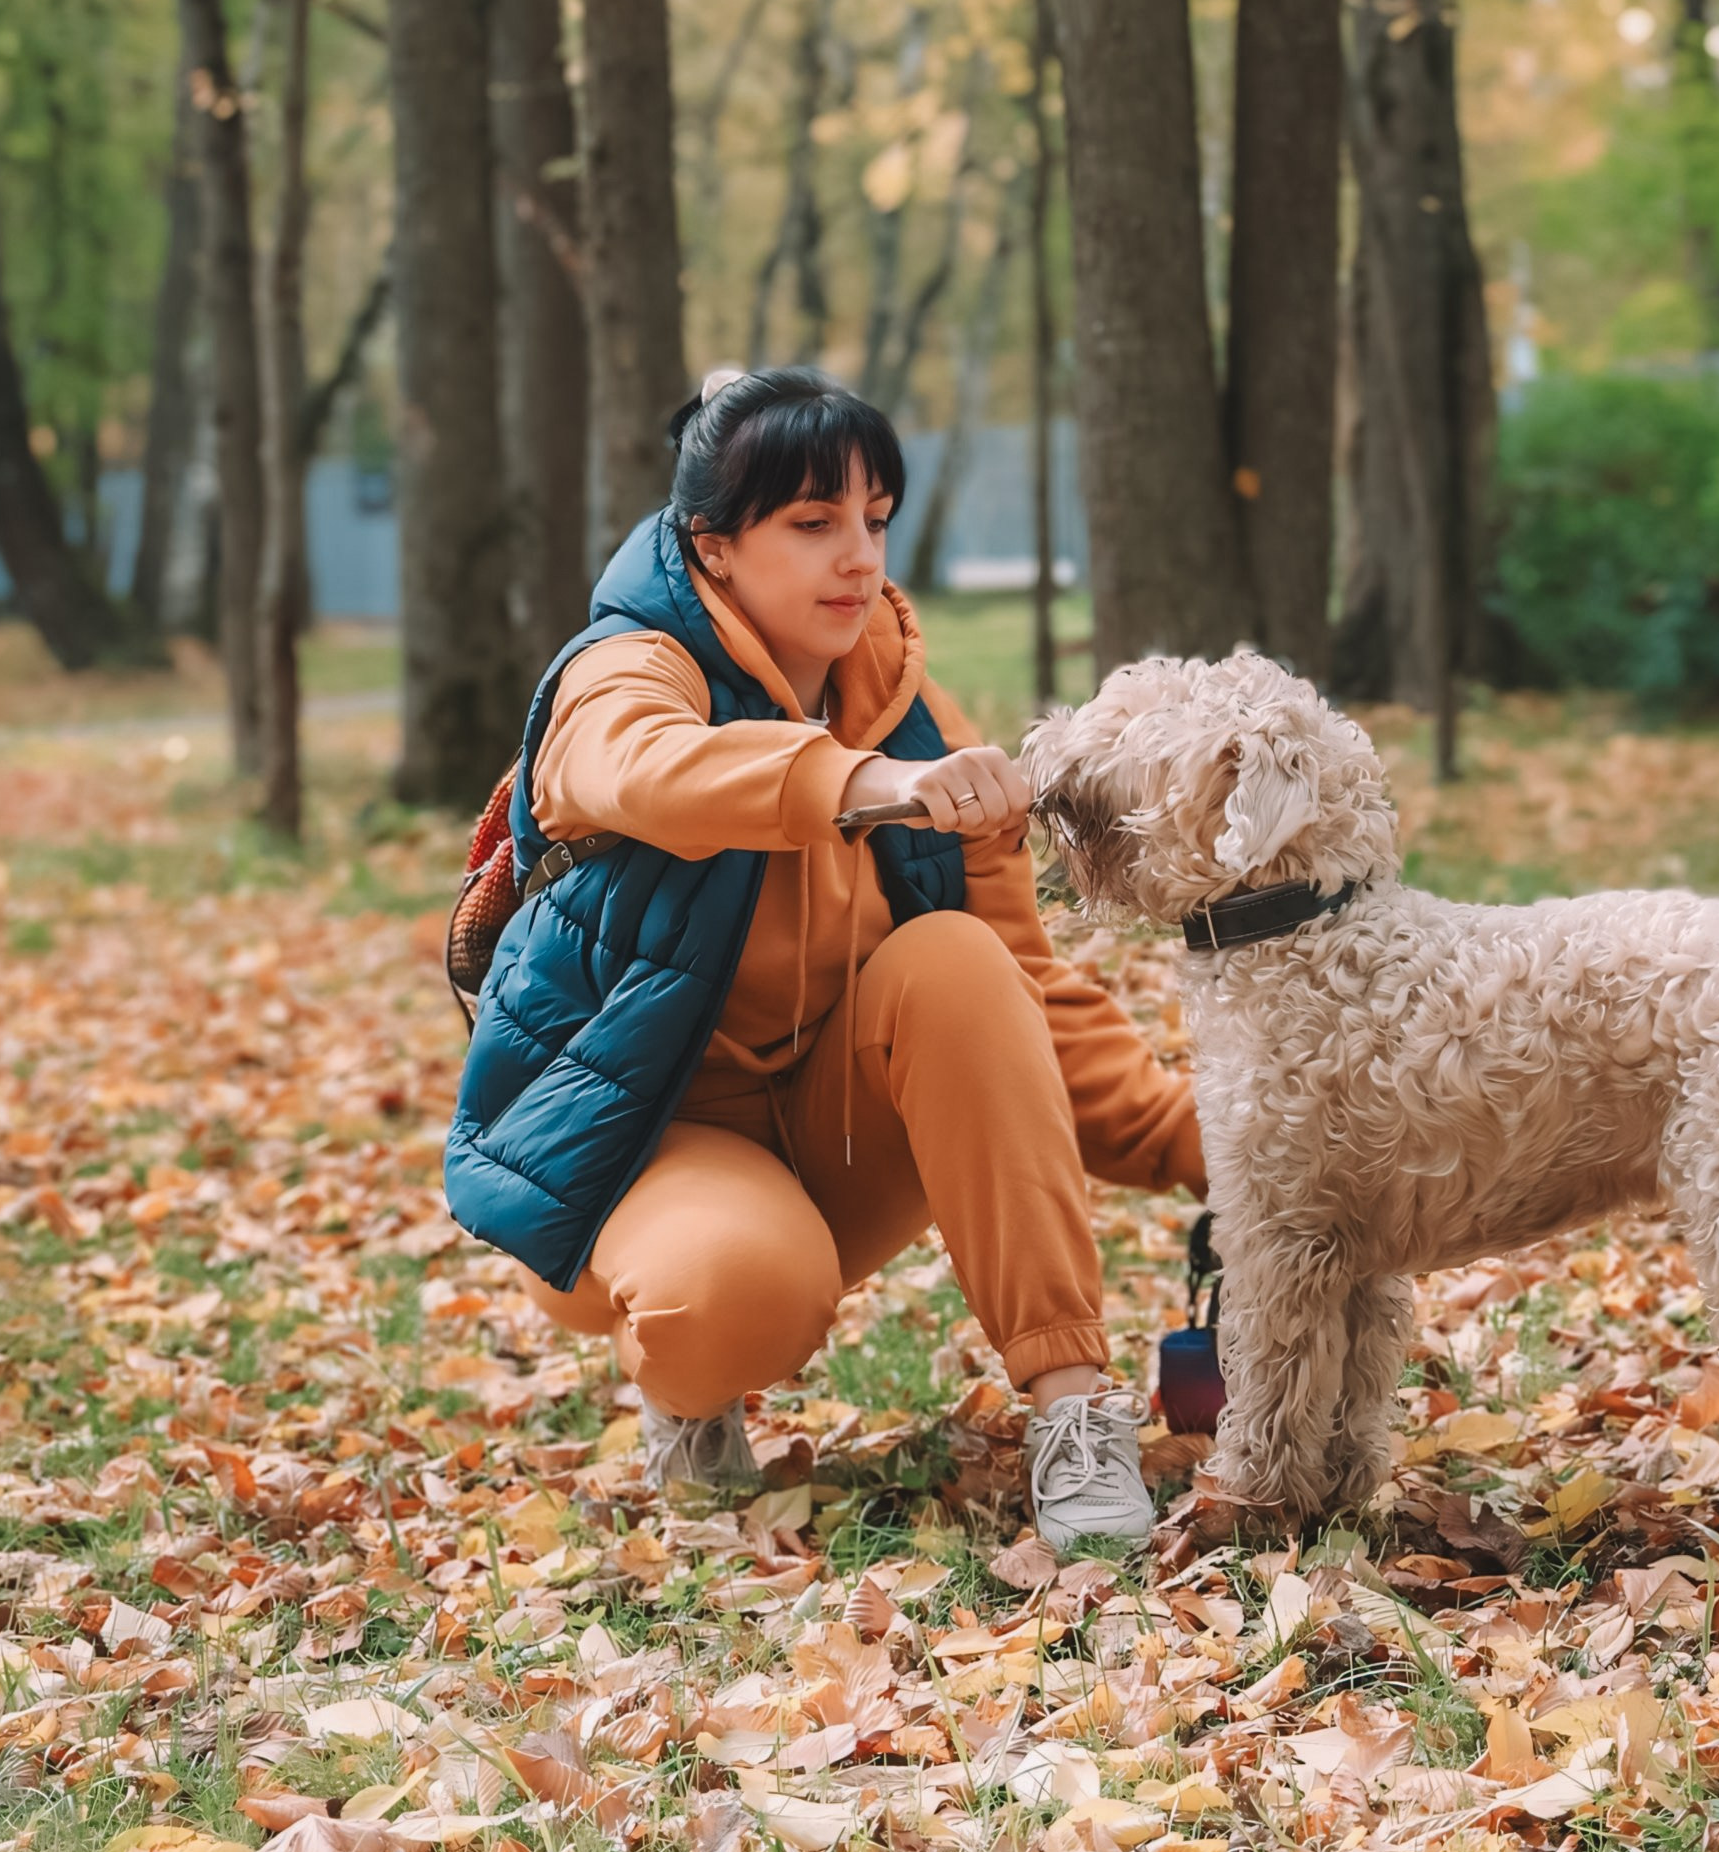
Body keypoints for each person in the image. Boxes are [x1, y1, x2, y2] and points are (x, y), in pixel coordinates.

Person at [444, 365, 1203, 1554]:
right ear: (711, 544)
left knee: (955, 959)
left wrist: (1209, 1146)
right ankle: (689, 1394)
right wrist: (863, 783)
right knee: (737, 1292)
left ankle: (1072, 1414)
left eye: (875, 519)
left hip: (830, 1128)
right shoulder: (626, 669)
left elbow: (1023, 995)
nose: (858, 558)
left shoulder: (905, 706)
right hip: (632, 1145)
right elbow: (643, 770)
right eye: (811, 524)